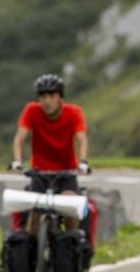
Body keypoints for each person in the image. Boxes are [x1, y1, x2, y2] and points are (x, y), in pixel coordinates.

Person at [10, 73, 91, 230]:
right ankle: (32, 250)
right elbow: (19, 139)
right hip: (39, 173)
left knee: (71, 209)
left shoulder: (73, 113)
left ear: (60, 97)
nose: (47, 101)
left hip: (66, 173)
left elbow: (82, 140)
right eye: (42, 95)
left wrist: (83, 162)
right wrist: (17, 161)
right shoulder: (31, 111)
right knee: (35, 213)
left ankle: (71, 246)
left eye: (52, 95)